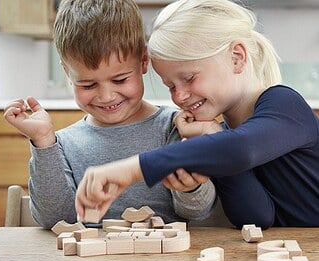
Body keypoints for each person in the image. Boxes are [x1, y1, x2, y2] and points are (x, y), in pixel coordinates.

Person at [75, 0, 319, 228]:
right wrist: (212, 134)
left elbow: (240, 149)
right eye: (170, 86)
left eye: (189, 78)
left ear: (236, 58)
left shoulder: (285, 104)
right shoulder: (224, 138)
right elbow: (256, 217)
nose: (179, 97)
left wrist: (131, 169)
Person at [3, 0, 217, 229]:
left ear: (143, 61)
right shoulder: (63, 144)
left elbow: (198, 211)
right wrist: (44, 142)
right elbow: (54, 220)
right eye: (87, 85)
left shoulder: (174, 127)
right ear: (68, 74)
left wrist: (189, 187)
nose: (106, 96)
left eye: (120, 80)